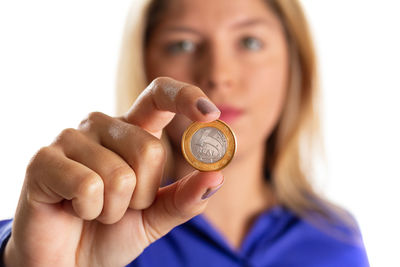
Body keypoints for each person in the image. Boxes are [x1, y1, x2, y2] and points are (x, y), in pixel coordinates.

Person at [0, 0, 370, 266]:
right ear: (145, 65)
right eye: (183, 44)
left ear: (295, 63)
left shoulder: (337, 241)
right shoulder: (81, 223)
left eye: (250, 42)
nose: (218, 74)